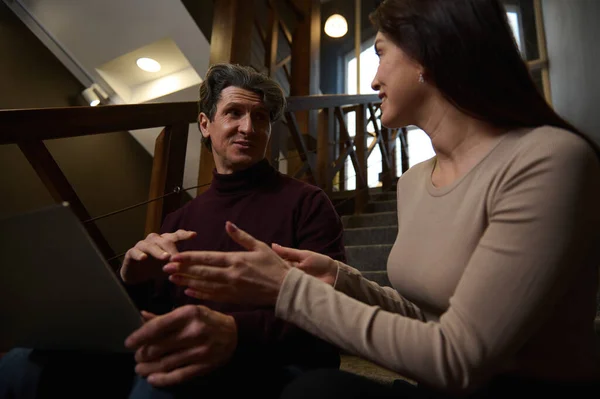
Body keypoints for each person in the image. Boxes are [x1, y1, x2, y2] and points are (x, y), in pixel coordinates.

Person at [159, 1, 600, 398]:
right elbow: (427, 316)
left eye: (381, 53)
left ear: (427, 54)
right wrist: (342, 279)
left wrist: (287, 289)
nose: (373, 78)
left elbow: (459, 357)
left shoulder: (548, 159)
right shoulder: (412, 182)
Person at [0, 63, 345, 399]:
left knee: (160, 382)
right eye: (234, 113)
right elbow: (156, 313)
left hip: (270, 359)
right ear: (205, 125)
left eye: (261, 118)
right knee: (21, 364)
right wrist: (132, 281)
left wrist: (234, 332)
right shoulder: (178, 219)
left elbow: (331, 312)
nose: (248, 128)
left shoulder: (307, 203)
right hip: (183, 349)